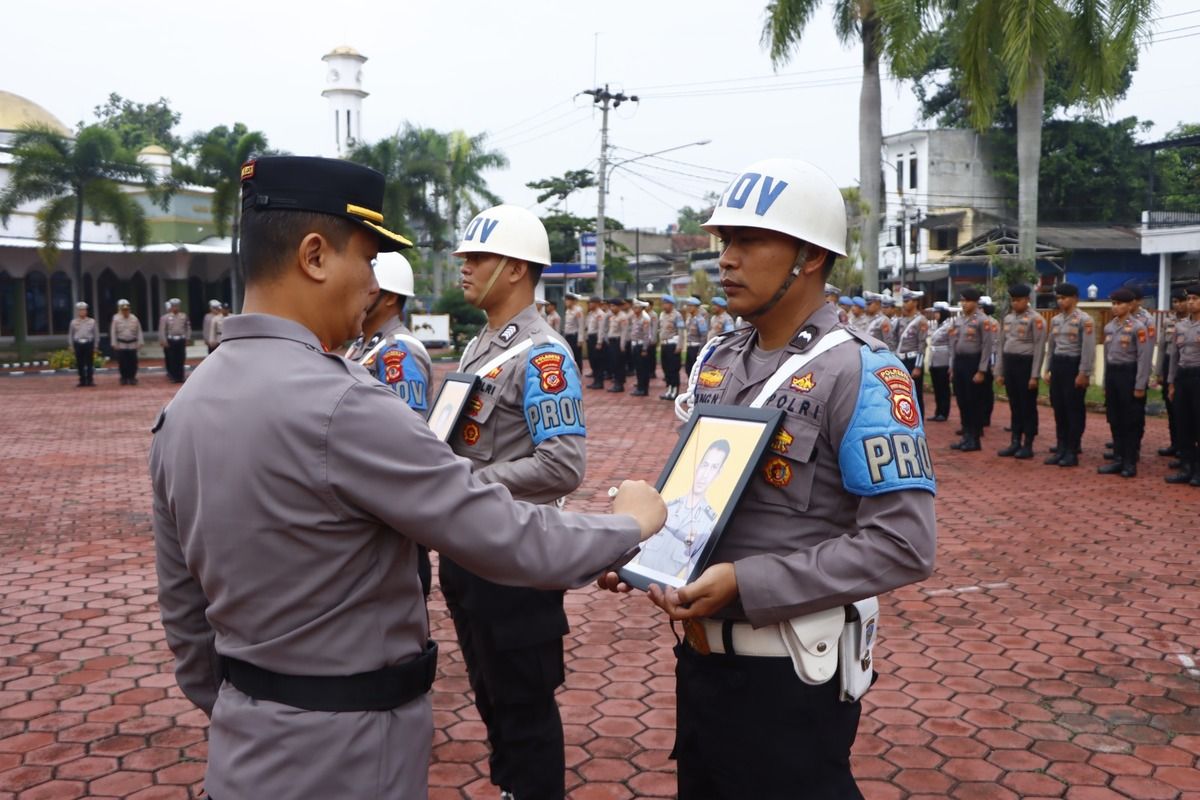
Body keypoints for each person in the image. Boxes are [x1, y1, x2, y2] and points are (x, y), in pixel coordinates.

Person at [151, 156, 668, 800]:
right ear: (315, 256)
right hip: (352, 750)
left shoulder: (182, 409)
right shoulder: (344, 403)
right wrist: (634, 524)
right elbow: (507, 534)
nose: (374, 283)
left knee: (520, 708)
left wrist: (250, 705)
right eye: (367, 259)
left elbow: (185, 617)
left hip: (245, 745)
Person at [601, 158, 935, 800]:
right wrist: (644, 550)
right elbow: (701, 499)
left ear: (808, 256)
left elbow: (904, 545)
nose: (725, 258)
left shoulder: (863, 373)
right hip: (701, 665)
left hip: (787, 675)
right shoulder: (720, 359)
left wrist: (747, 582)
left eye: (748, 241)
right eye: (724, 241)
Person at [445, 203, 594, 800]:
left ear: (513, 269)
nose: (464, 268)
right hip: (470, 551)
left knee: (524, 708)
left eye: (477, 258)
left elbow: (563, 465)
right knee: (492, 697)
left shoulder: (544, 355)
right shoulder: (480, 344)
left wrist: (465, 484)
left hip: (514, 558)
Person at [345, 250, 434, 596]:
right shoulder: (365, 345)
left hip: (392, 505)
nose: (360, 291)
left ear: (390, 297)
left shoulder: (398, 351)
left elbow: (405, 436)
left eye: (370, 287)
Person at [635, 439, 729, 579]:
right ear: (697, 466)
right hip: (636, 576)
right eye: (705, 465)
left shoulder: (709, 523)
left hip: (667, 588)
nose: (705, 475)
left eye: (713, 468)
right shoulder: (665, 506)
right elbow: (636, 549)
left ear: (718, 473)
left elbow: (690, 575)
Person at [1099, 288, 1152, 478]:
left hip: (1129, 374)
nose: (1116, 307)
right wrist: (1105, 382)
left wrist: (1139, 385)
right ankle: (1118, 458)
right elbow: (1107, 358)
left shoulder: (1139, 327)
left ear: (1130, 305)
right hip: (1113, 374)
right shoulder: (1109, 327)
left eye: (1120, 303)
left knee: (1130, 420)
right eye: (1113, 303)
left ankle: (1130, 462)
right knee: (1115, 418)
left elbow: (1144, 358)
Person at [1044, 283, 1095, 467]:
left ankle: (1072, 450)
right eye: (1058, 298)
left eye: (1064, 298)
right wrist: (1047, 369)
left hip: (1073, 366)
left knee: (1073, 409)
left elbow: (1088, 349)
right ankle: (1061, 447)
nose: (1060, 301)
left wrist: (1084, 373)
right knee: (1059, 408)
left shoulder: (1084, 319)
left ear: (1075, 298)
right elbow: (1052, 346)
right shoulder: (1056, 320)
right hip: (1058, 365)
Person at [994, 284, 1047, 459]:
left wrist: (1034, 375)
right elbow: (1001, 345)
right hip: (1010, 363)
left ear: (1027, 300)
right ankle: (1015, 440)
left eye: (1018, 300)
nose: (1015, 303)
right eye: (1013, 300)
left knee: (1027, 406)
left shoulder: (1036, 319)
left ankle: (1028, 443)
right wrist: (999, 371)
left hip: (1026, 364)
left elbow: (1039, 348)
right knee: (1015, 405)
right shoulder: (1008, 318)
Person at [947, 287, 995, 452]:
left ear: (975, 302)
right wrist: (952, 366)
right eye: (962, 300)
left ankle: (974, 438)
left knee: (973, 401)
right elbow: (953, 343)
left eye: (967, 301)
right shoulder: (959, 320)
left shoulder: (983, 320)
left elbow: (987, 346)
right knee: (962, 401)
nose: (964, 304)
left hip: (973, 363)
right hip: (960, 362)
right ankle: (966, 435)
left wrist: (982, 370)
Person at [1165, 284, 1200, 485]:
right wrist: (1171, 383)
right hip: (1182, 376)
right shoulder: (1180, 326)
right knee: (1183, 423)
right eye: (1189, 299)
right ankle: (1186, 467)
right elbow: (1174, 357)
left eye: (1195, 298)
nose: (1191, 302)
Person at [1158, 289, 1187, 460]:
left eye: (1181, 301)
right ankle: (1175, 443)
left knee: (1184, 411)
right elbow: (1162, 347)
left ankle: (1185, 448)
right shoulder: (1168, 322)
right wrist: (1159, 372)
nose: (1178, 304)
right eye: (1175, 301)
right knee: (1171, 408)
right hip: (1169, 364)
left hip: (1185, 365)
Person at [895, 289, 929, 420]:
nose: (904, 304)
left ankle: (919, 421)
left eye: (907, 301)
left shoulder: (921, 320)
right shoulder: (900, 320)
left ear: (915, 302)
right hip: (901, 359)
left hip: (913, 360)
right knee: (901, 393)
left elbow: (922, 344)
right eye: (903, 301)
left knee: (916, 394)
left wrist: (918, 366)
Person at [928, 302, 953, 421]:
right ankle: (938, 411)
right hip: (934, 360)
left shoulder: (949, 326)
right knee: (937, 388)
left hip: (944, 361)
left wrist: (951, 364)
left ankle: (944, 412)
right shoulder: (935, 325)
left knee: (944, 388)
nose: (935, 315)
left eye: (938, 312)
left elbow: (952, 346)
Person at [110, 299, 144, 385]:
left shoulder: (134, 318)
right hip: (121, 344)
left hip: (132, 344)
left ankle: (132, 377)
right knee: (122, 362)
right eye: (123, 310)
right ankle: (124, 378)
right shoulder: (116, 319)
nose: (125, 311)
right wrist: (114, 343)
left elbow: (139, 331)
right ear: (120, 310)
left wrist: (140, 342)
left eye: (127, 309)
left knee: (133, 362)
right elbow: (113, 332)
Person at [658, 295, 685, 400]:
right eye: (663, 303)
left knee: (673, 369)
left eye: (666, 303)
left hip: (672, 345)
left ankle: (674, 390)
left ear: (671, 304)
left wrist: (679, 346)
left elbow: (681, 332)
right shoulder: (662, 315)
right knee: (665, 368)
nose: (664, 305)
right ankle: (669, 389)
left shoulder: (677, 315)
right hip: (664, 345)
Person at [159, 298, 191, 383]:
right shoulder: (166, 317)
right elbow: (162, 330)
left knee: (181, 359)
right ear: (171, 307)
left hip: (181, 340)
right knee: (172, 359)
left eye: (177, 306)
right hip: (171, 340)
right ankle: (173, 376)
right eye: (174, 306)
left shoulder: (183, 316)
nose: (175, 308)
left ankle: (181, 376)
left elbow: (188, 328)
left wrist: (188, 338)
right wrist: (164, 341)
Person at [68, 301, 99, 387]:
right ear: (78, 311)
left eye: (84, 310)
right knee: (80, 363)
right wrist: (71, 346)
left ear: (86, 311)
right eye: (80, 310)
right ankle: (82, 380)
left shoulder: (92, 321)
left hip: (88, 343)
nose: (82, 312)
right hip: (78, 344)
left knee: (89, 363)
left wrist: (96, 345)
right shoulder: (73, 322)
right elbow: (71, 335)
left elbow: (96, 334)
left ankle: (90, 380)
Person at [630, 299, 653, 396]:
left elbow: (646, 335)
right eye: (634, 307)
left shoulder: (645, 318)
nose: (634, 309)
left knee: (643, 369)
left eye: (636, 307)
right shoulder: (635, 317)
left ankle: (644, 389)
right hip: (635, 345)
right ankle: (639, 387)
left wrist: (644, 348)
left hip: (641, 346)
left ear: (641, 308)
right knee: (638, 369)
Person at [604, 297, 627, 393]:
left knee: (618, 364)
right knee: (613, 363)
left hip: (618, 342)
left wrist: (622, 345)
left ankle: (619, 384)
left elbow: (624, 332)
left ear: (619, 307)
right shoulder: (612, 316)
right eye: (610, 306)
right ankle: (616, 382)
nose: (611, 308)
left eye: (613, 306)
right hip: (612, 342)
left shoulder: (622, 317)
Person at [585, 295, 607, 388]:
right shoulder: (590, 314)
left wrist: (599, 342)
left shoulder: (600, 314)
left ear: (597, 304)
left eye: (591, 302)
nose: (589, 304)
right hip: (590, 338)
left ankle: (599, 382)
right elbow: (587, 328)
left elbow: (601, 329)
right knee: (592, 360)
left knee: (598, 361)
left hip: (596, 339)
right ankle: (595, 381)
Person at [683, 296, 708, 376]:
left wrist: (700, 351)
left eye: (690, 306)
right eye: (687, 305)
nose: (688, 308)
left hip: (696, 347)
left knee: (696, 371)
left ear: (696, 307)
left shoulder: (700, 320)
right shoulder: (690, 318)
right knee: (688, 370)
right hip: (689, 347)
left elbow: (704, 336)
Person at [562, 292, 583, 365]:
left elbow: (581, 326)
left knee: (577, 356)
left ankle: (579, 373)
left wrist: (580, 340)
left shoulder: (578, 311)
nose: (566, 302)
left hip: (575, 336)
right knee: (570, 355)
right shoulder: (567, 311)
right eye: (565, 300)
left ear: (573, 301)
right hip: (568, 336)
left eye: (567, 300)